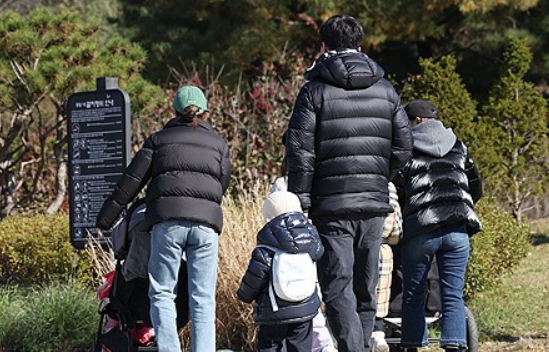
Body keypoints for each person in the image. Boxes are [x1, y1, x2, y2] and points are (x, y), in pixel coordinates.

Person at [285, 14, 413, 352]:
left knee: (337, 285)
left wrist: (300, 198)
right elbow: (403, 147)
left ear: (323, 45)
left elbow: (300, 150)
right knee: (365, 286)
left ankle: (354, 349)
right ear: (361, 44)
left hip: (331, 205)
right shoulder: (386, 90)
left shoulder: (314, 90)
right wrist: (378, 176)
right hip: (373, 203)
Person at [96, 85, 231, 352]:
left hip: (168, 224)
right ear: (205, 112)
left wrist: (105, 219)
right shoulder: (219, 144)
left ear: (175, 110)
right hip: (206, 227)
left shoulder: (159, 140)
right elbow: (221, 184)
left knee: (162, 293)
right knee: (202, 297)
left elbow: (131, 182)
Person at [393, 100, 482, 352]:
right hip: (458, 227)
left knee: (414, 292)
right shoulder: (459, 146)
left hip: (421, 228)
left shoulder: (406, 149)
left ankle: (411, 345)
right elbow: (475, 185)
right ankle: (454, 345)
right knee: (452, 293)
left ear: (416, 121)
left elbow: (397, 188)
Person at [237, 190, 325, 352]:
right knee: (301, 346)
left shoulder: (266, 246)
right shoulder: (311, 241)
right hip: (305, 307)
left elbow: (255, 277)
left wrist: (244, 295)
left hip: (274, 310)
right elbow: (320, 254)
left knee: (269, 345)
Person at [370, 182, 403, 352]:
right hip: (381, 247)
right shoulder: (388, 185)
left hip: (348, 244)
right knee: (379, 293)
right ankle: (378, 332)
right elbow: (396, 229)